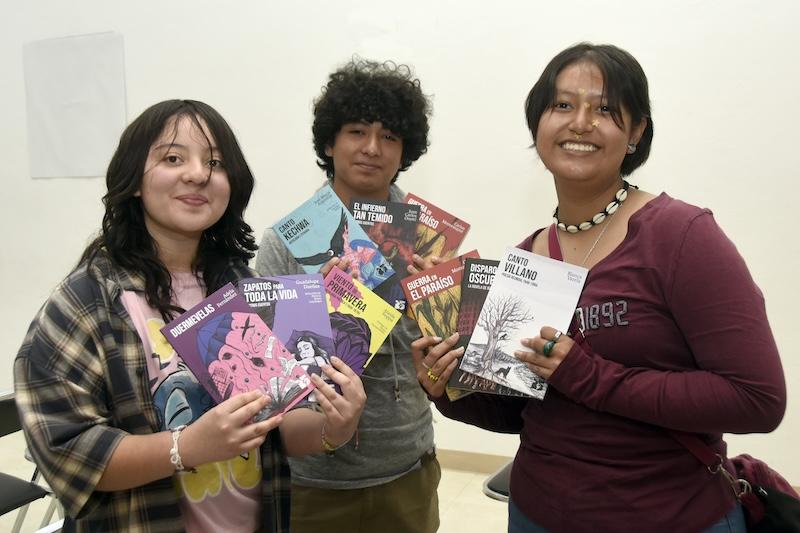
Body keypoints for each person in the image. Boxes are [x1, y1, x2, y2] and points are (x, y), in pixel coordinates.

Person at [411, 43, 786, 533]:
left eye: (605, 109)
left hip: (670, 518)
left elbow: (756, 398)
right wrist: (446, 389)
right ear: (537, 124)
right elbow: (524, 412)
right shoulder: (528, 257)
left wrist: (590, 376)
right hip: (534, 514)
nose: (581, 122)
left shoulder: (681, 235)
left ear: (636, 132)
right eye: (562, 105)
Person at [14, 99, 366, 532]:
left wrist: (333, 427)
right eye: (173, 158)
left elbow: (275, 425)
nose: (198, 174)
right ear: (134, 180)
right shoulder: (85, 302)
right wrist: (185, 447)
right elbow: (66, 452)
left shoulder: (243, 285)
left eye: (215, 162)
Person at [256, 58, 440, 533]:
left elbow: (443, 359)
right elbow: (267, 376)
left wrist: (437, 304)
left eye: (389, 136)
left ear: (405, 149)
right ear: (329, 142)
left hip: (408, 462)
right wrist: (318, 311)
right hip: (316, 478)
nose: (372, 148)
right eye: (357, 131)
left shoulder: (427, 237)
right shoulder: (287, 242)